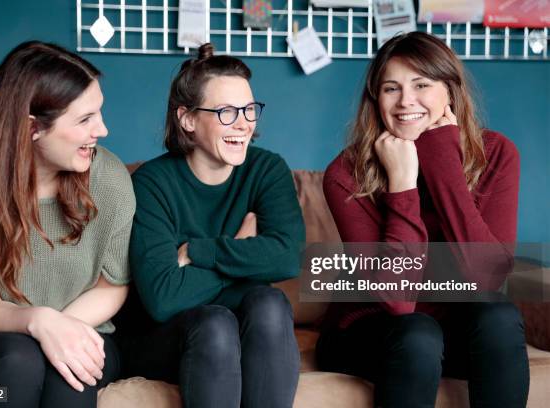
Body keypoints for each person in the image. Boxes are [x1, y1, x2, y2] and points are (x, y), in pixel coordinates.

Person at [317, 31, 529, 408]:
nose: (405, 101)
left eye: (421, 84)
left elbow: (486, 279)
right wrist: (402, 183)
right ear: (376, 99)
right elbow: (397, 302)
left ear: (450, 91)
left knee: (498, 315)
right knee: (418, 331)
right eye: (391, 88)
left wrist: (441, 161)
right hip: (371, 328)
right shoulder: (345, 173)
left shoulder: (496, 154)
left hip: (455, 327)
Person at [0, 41, 135, 407]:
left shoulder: (108, 177)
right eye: (85, 119)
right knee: (18, 361)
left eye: (99, 113)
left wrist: (60, 330)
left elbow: (112, 287)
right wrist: (39, 323)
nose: (103, 130)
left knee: (68, 373)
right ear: (32, 128)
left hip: (83, 327)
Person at [117, 43, 305, 408]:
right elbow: (163, 297)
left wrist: (201, 251)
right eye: (226, 111)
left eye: (249, 109)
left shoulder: (266, 170)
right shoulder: (152, 183)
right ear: (187, 119)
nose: (244, 122)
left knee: (270, 301)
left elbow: (288, 257)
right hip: (164, 335)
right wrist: (242, 250)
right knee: (216, 324)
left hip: (241, 319)